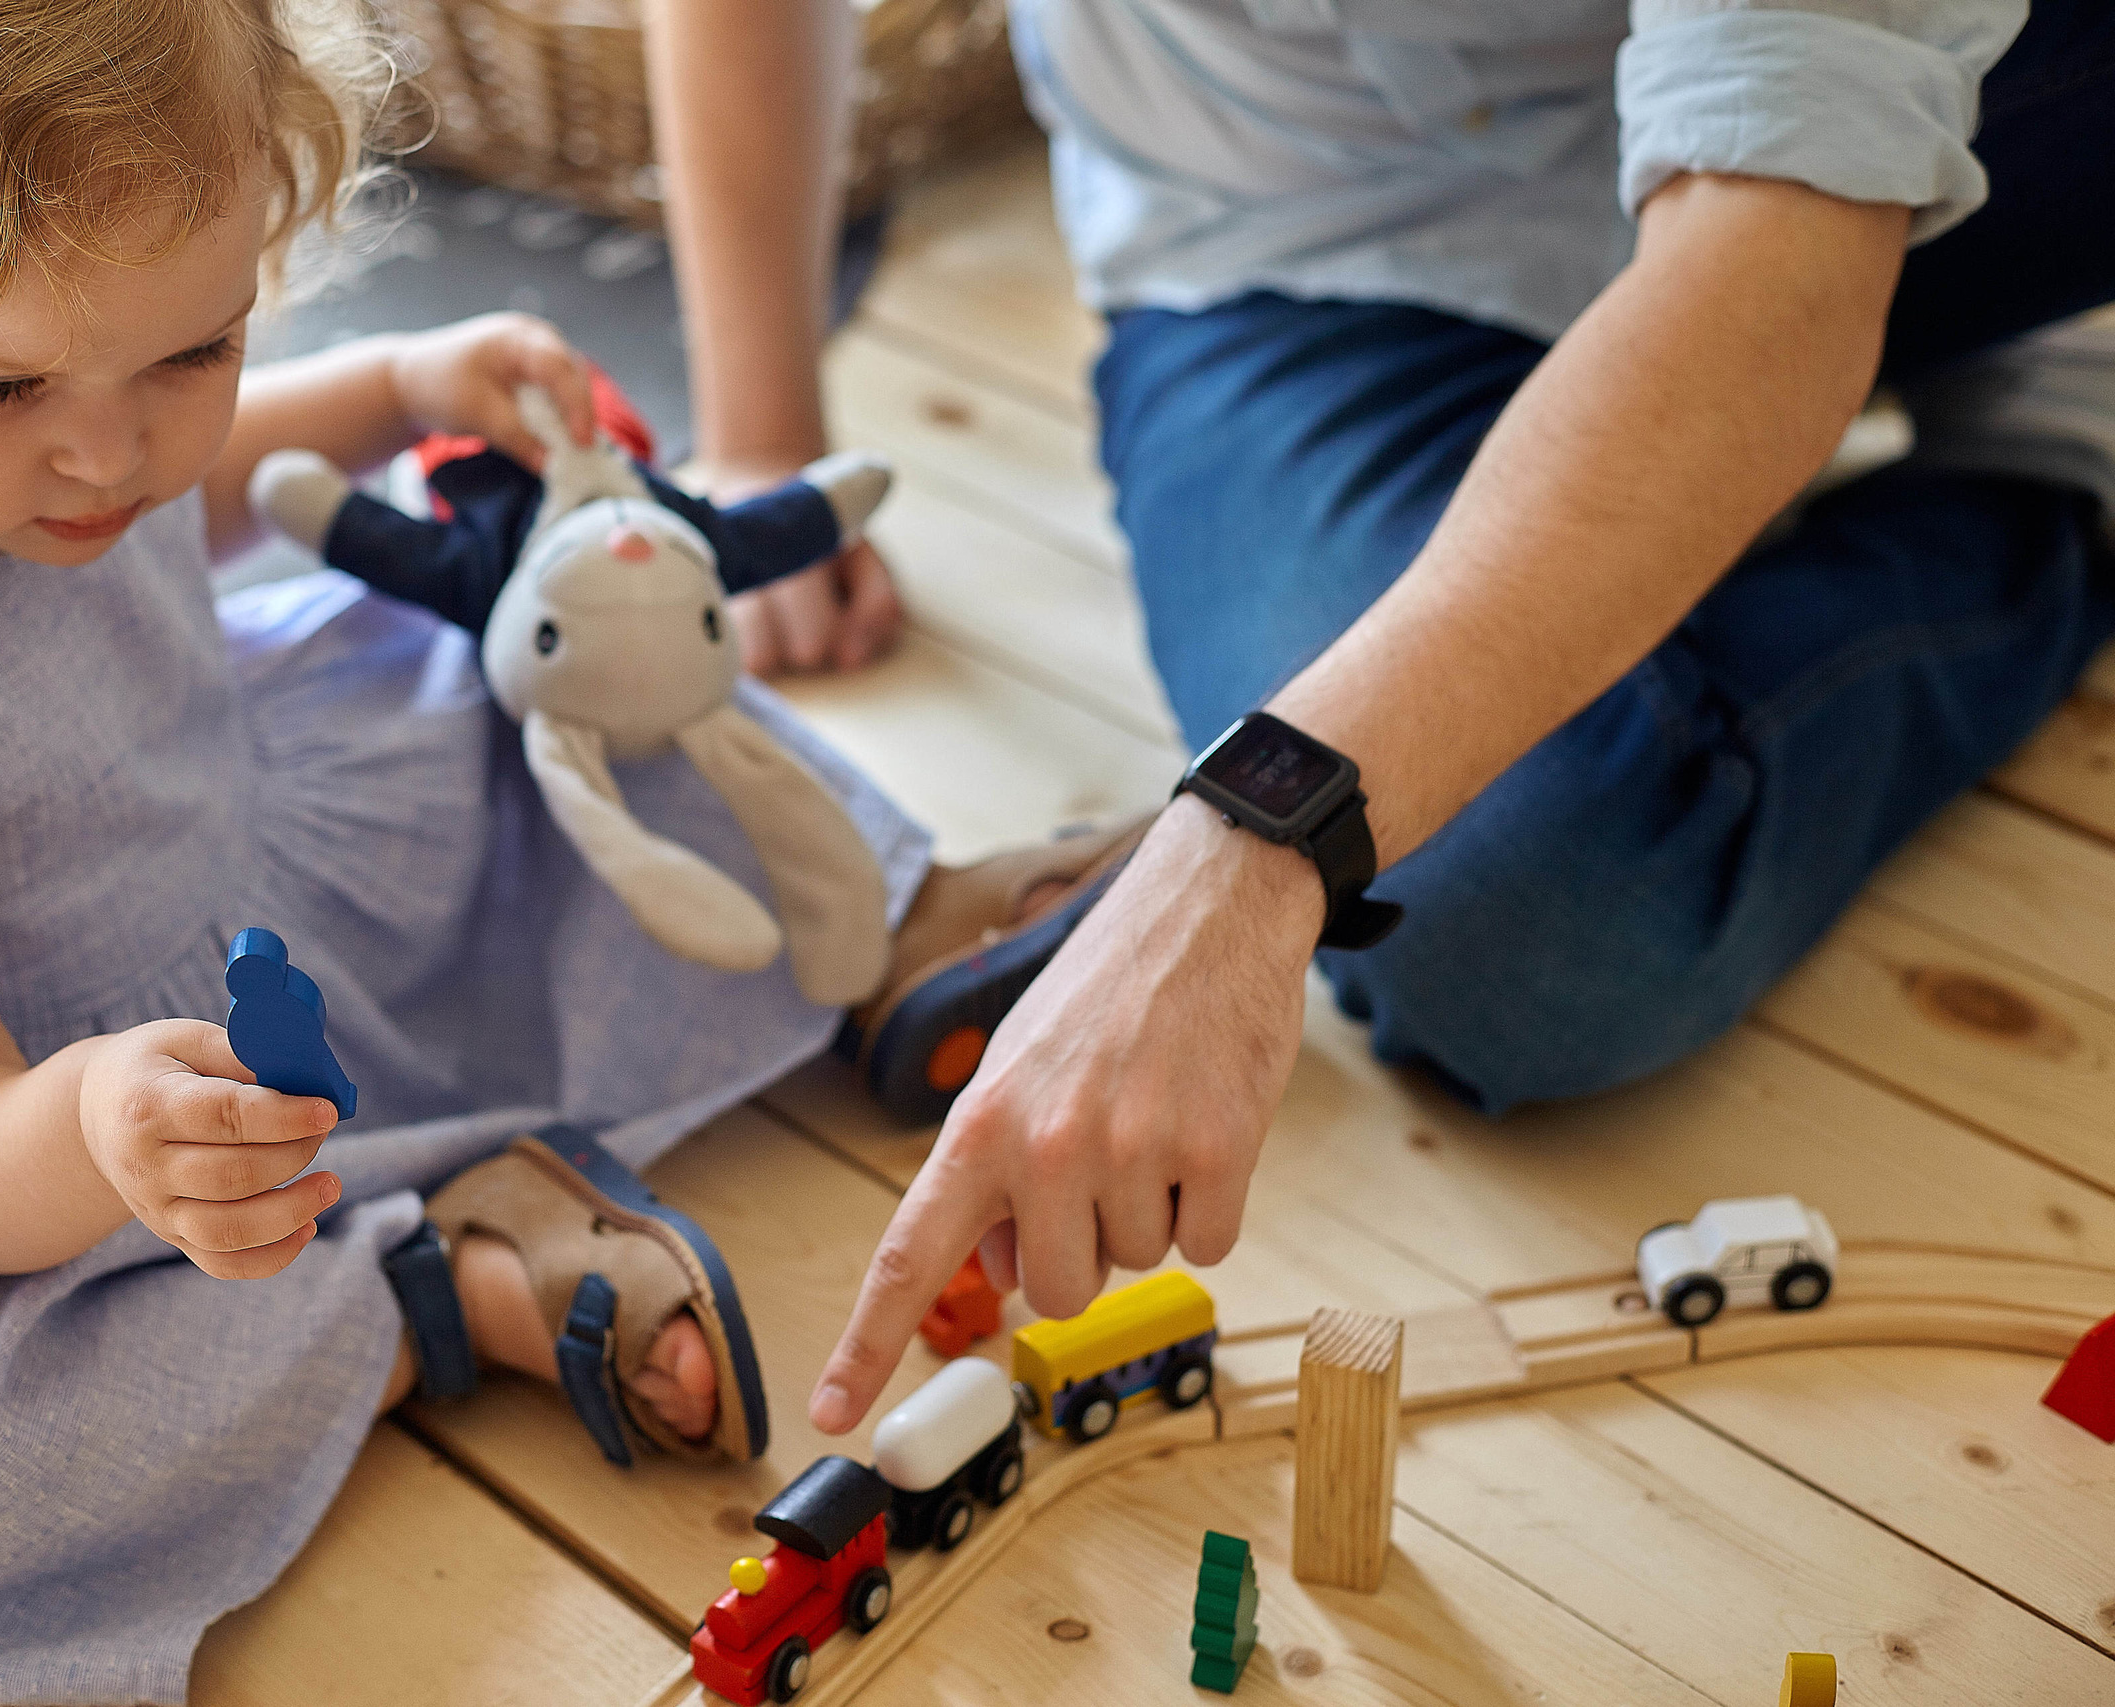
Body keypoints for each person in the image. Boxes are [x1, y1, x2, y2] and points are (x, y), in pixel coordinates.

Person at [0, 0, 1139, 1696]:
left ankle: (884, 919)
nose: (109, 455)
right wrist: (93, 1123)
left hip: (228, 846)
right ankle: (431, 1288)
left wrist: (400, 388)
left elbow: (194, 482)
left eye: (196, 348)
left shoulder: (80, 415)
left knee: (552, 693)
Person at [644, 0, 2115, 1437]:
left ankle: (2048, 484)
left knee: (1517, 887)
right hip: (1295, 235)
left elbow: (1775, 250)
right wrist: (766, 433)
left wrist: (1253, 839)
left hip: (1953, 137)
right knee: (1524, 916)